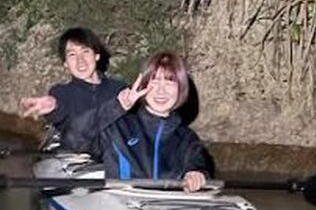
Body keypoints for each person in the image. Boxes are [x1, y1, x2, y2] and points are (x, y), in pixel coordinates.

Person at [64, 51, 211, 192]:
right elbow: (73, 138)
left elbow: (197, 165)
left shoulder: (188, 139)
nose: (161, 91)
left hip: (166, 204)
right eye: (154, 81)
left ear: (181, 89)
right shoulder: (117, 127)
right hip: (122, 203)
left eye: (169, 82)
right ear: (143, 85)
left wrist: (197, 175)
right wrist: (117, 106)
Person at [19, 28, 126, 140]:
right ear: (65, 63)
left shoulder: (118, 89)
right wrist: (53, 108)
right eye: (72, 55)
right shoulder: (62, 93)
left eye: (85, 51)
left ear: (96, 55)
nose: (80, 60)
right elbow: (62, 116)